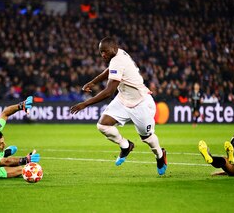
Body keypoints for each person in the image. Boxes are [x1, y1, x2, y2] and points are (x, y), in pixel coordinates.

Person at [70, 37, 167, 175]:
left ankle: (160, 155)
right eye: (101, 52)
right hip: (123, 99)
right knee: (103, 125)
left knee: (147, 138)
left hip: (140, 102)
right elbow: (110, 70)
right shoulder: (118, 54)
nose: (103, 54)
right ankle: (126, 146)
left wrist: (84, 104)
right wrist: (93, 82)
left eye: (105, 51)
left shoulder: (118, 60)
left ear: (114, 48)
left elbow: (109, 92)